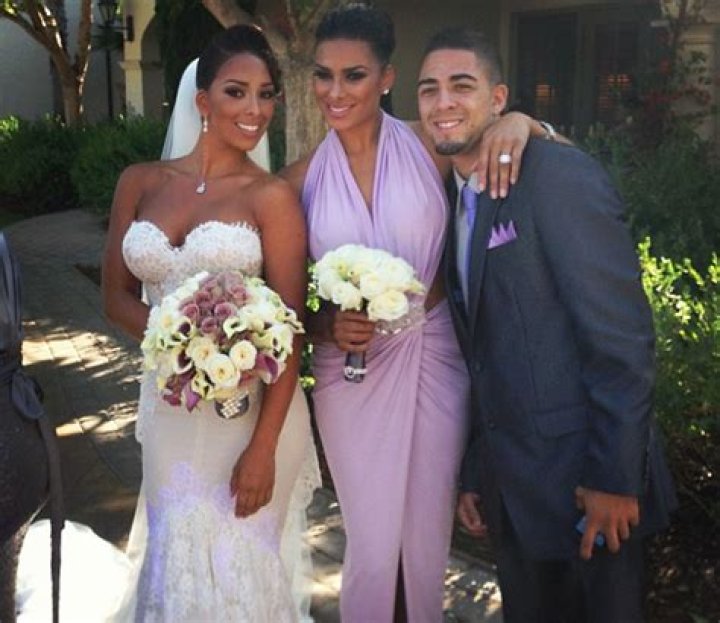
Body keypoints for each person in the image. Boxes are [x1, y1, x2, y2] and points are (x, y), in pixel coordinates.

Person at [280, 5, 559, 621]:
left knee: (427, 538)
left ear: (386, 78)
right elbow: (282, 300)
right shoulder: (299, 180)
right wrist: (326, 325)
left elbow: (531, 147)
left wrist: (520, 121)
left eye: (353, 75)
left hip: (437, 357)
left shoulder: (430, 147)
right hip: (349, 373)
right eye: (323, 75)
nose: (334, 91)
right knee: (373, 544)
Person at [417, 27, 678, 622]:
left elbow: (622, 339)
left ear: (498, 99)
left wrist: (615, 479)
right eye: (429, 89)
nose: (443, 102)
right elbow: (483, 352)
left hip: (589, 489)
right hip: (515, 492)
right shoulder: (449, 195)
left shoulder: (556, 176)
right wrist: (477, 471)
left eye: (462, 85)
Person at [102, 25, 320, 621]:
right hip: (169, 406)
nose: (255, 109)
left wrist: (263, 449)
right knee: (176, 562)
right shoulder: (139, 182)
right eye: (236, 92)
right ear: (202, 99)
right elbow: (115, 297)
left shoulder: (271, 198)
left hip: (249, 413)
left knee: (237, 573)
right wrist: (180, 343)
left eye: (266, 94)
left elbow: (291, 328)